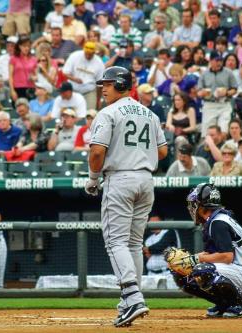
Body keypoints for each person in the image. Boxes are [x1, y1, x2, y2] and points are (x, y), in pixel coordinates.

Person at [84, 66, 168, 327]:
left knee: (115, 242)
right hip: (146, 180)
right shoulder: (150, 114)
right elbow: (163, 152)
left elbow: (97, 152)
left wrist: (93, 179)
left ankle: (132, 297)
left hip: (120, 179)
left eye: (107, 84)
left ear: (120, 84)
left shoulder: (108, 113)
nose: (103, 89)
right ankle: (130, 300)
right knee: (132, 243)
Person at [170, 183, 242, 318]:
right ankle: (225, 303)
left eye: (195, 203)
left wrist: (197, 259)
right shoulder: (213, 220)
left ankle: (241, 303)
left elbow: (227, 257)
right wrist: (190, 260)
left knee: (202, 270)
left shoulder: (218, 222)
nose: (192, 207)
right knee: (183, 276)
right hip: (236, 270)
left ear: (204, 205)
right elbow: (214, 255)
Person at [197, 50, 237, 135]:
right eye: (217, 60)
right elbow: (198, 92)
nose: (219, 63)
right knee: (207, 133)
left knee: (223, 131)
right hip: (209, 104)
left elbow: (234, 89)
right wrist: (202, 93)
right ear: (210, 61)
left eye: (220, 61)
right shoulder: (204, 74)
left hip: (224, 104)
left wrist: (226, 93)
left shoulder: (228, 72)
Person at [63, 41, 104, 110]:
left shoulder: (99, 62)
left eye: (90, 54)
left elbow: (100, 84)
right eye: (86, 53)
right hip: (73, 90)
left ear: (94, 52)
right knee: (70, 113)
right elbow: (65, 72)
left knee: (90, 113)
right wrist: (74, 79)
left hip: (89, 91)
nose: (88, 55)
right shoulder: (75, 56)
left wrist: (98, 99)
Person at [9, 37, 37, 101]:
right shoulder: (13, 58)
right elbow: (10, 76)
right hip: (17, 88)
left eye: (28, 46)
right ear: (19, 46)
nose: (27, 48)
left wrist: (34, 77)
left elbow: (36, 74)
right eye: (24, 46)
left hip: (31, 88)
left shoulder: (33, 59)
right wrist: (12, 90)